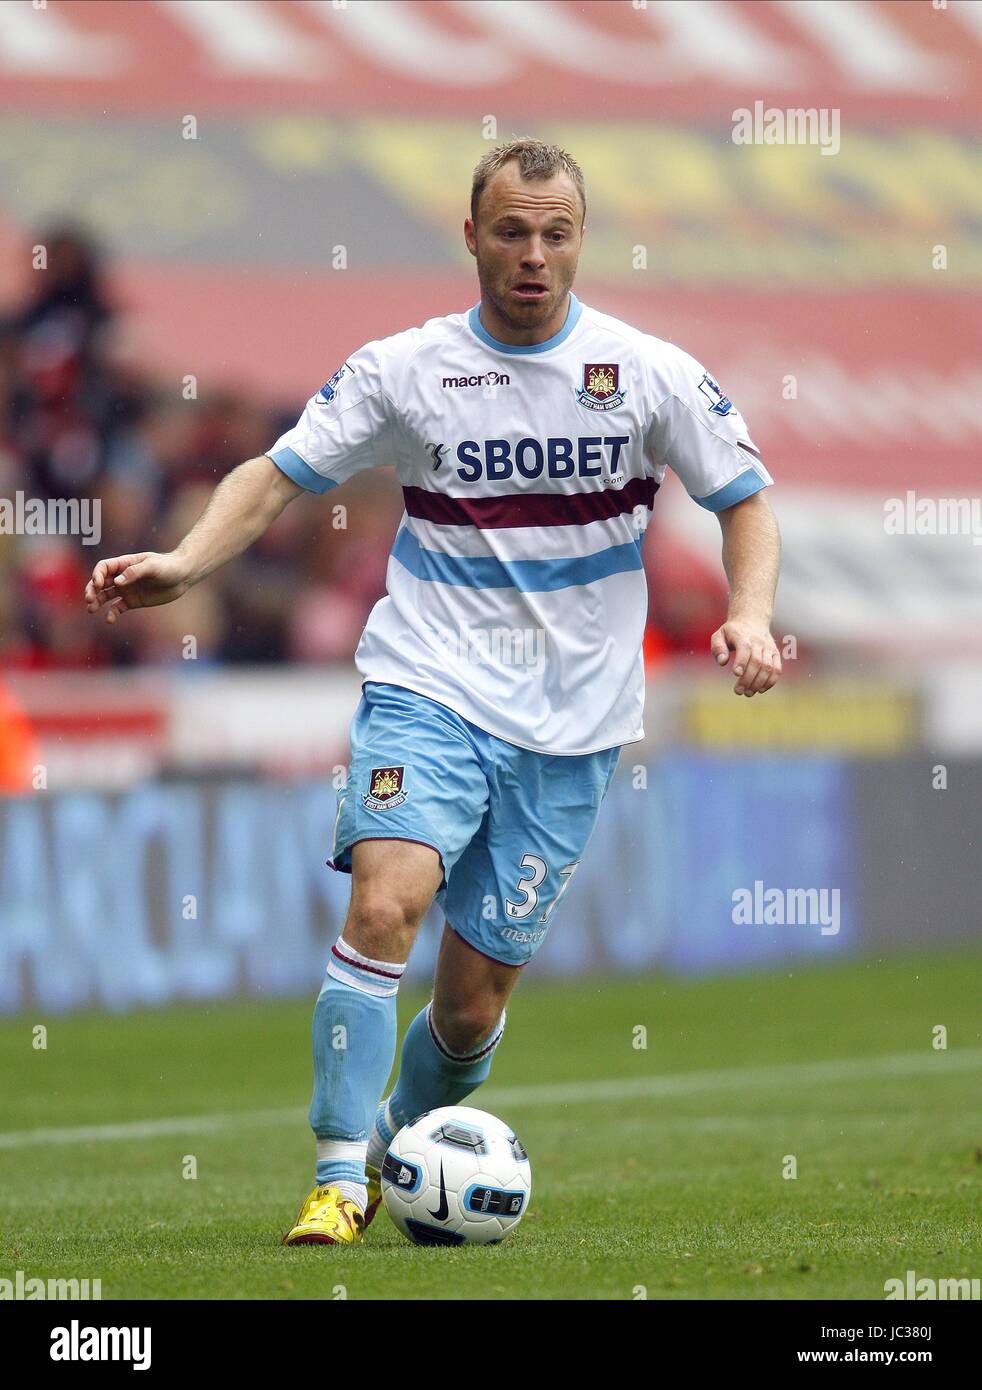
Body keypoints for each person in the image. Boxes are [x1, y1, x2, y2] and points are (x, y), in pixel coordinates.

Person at [84, 138, 782, 1246]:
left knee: (468, 1009)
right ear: (471, 236)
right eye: (511, 231)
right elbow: (275, 474)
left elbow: (743, 498)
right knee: (382, 901)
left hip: (572, 727)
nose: (533, 256)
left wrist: (745, 613)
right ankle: (335, 1178)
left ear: (580, 241)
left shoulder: (642, 371)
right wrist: (184, 561)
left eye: (556, 234)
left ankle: (392, 1144)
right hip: (429, 684)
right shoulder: (404, 370)